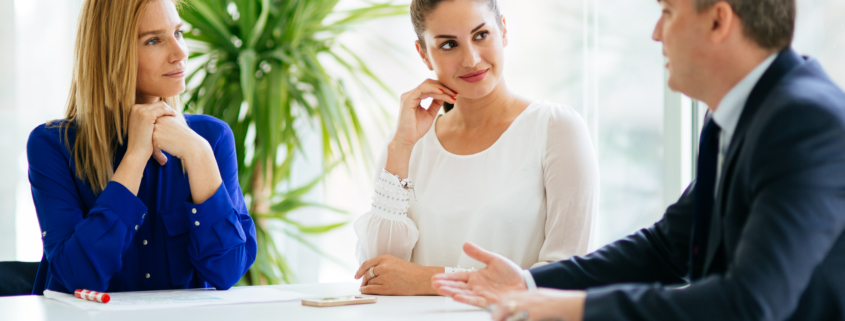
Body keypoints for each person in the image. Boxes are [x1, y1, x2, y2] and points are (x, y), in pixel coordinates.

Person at [432, 0, 845, 320]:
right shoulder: (738, 115)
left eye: (667, 12)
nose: (655, 33)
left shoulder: (803, 121)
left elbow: (748, 303)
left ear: (718, 21)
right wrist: (528, 281)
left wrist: (568, 308)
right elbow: (669, 247)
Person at [352, 0, 599, 295]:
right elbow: (378, 273)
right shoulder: (410, 144)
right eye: (448, 45)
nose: (470, 59)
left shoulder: (556, 129)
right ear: (424, 55)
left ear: (503, 30)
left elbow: (564, 277)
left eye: (481, 35)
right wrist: (401, 147)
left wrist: (432, 279)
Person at [28, 0, 256, 294]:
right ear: (111, 54)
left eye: (178, 33)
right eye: (154, 40)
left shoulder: (210, 139)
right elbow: (79, 277)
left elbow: (228, 271)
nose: (180, 53)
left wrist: (199, 156)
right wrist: (135, 157)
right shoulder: (52, 146)